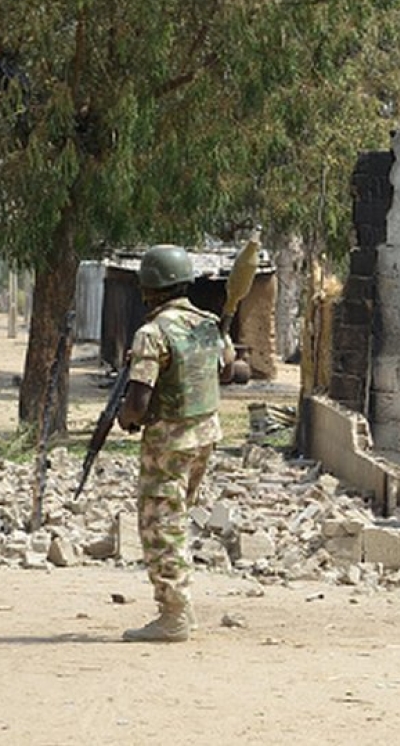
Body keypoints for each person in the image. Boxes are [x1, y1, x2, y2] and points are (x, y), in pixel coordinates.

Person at [117, 244, 232, 643]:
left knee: (161, 525)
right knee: (177, 519)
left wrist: (126, 419)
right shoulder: (208, 323)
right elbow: (229, 367)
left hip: (169, 440)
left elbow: (138, 400)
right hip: (205, 434)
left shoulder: (152, 333)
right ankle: (180, 607)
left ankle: (174, 615)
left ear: (149, 287)